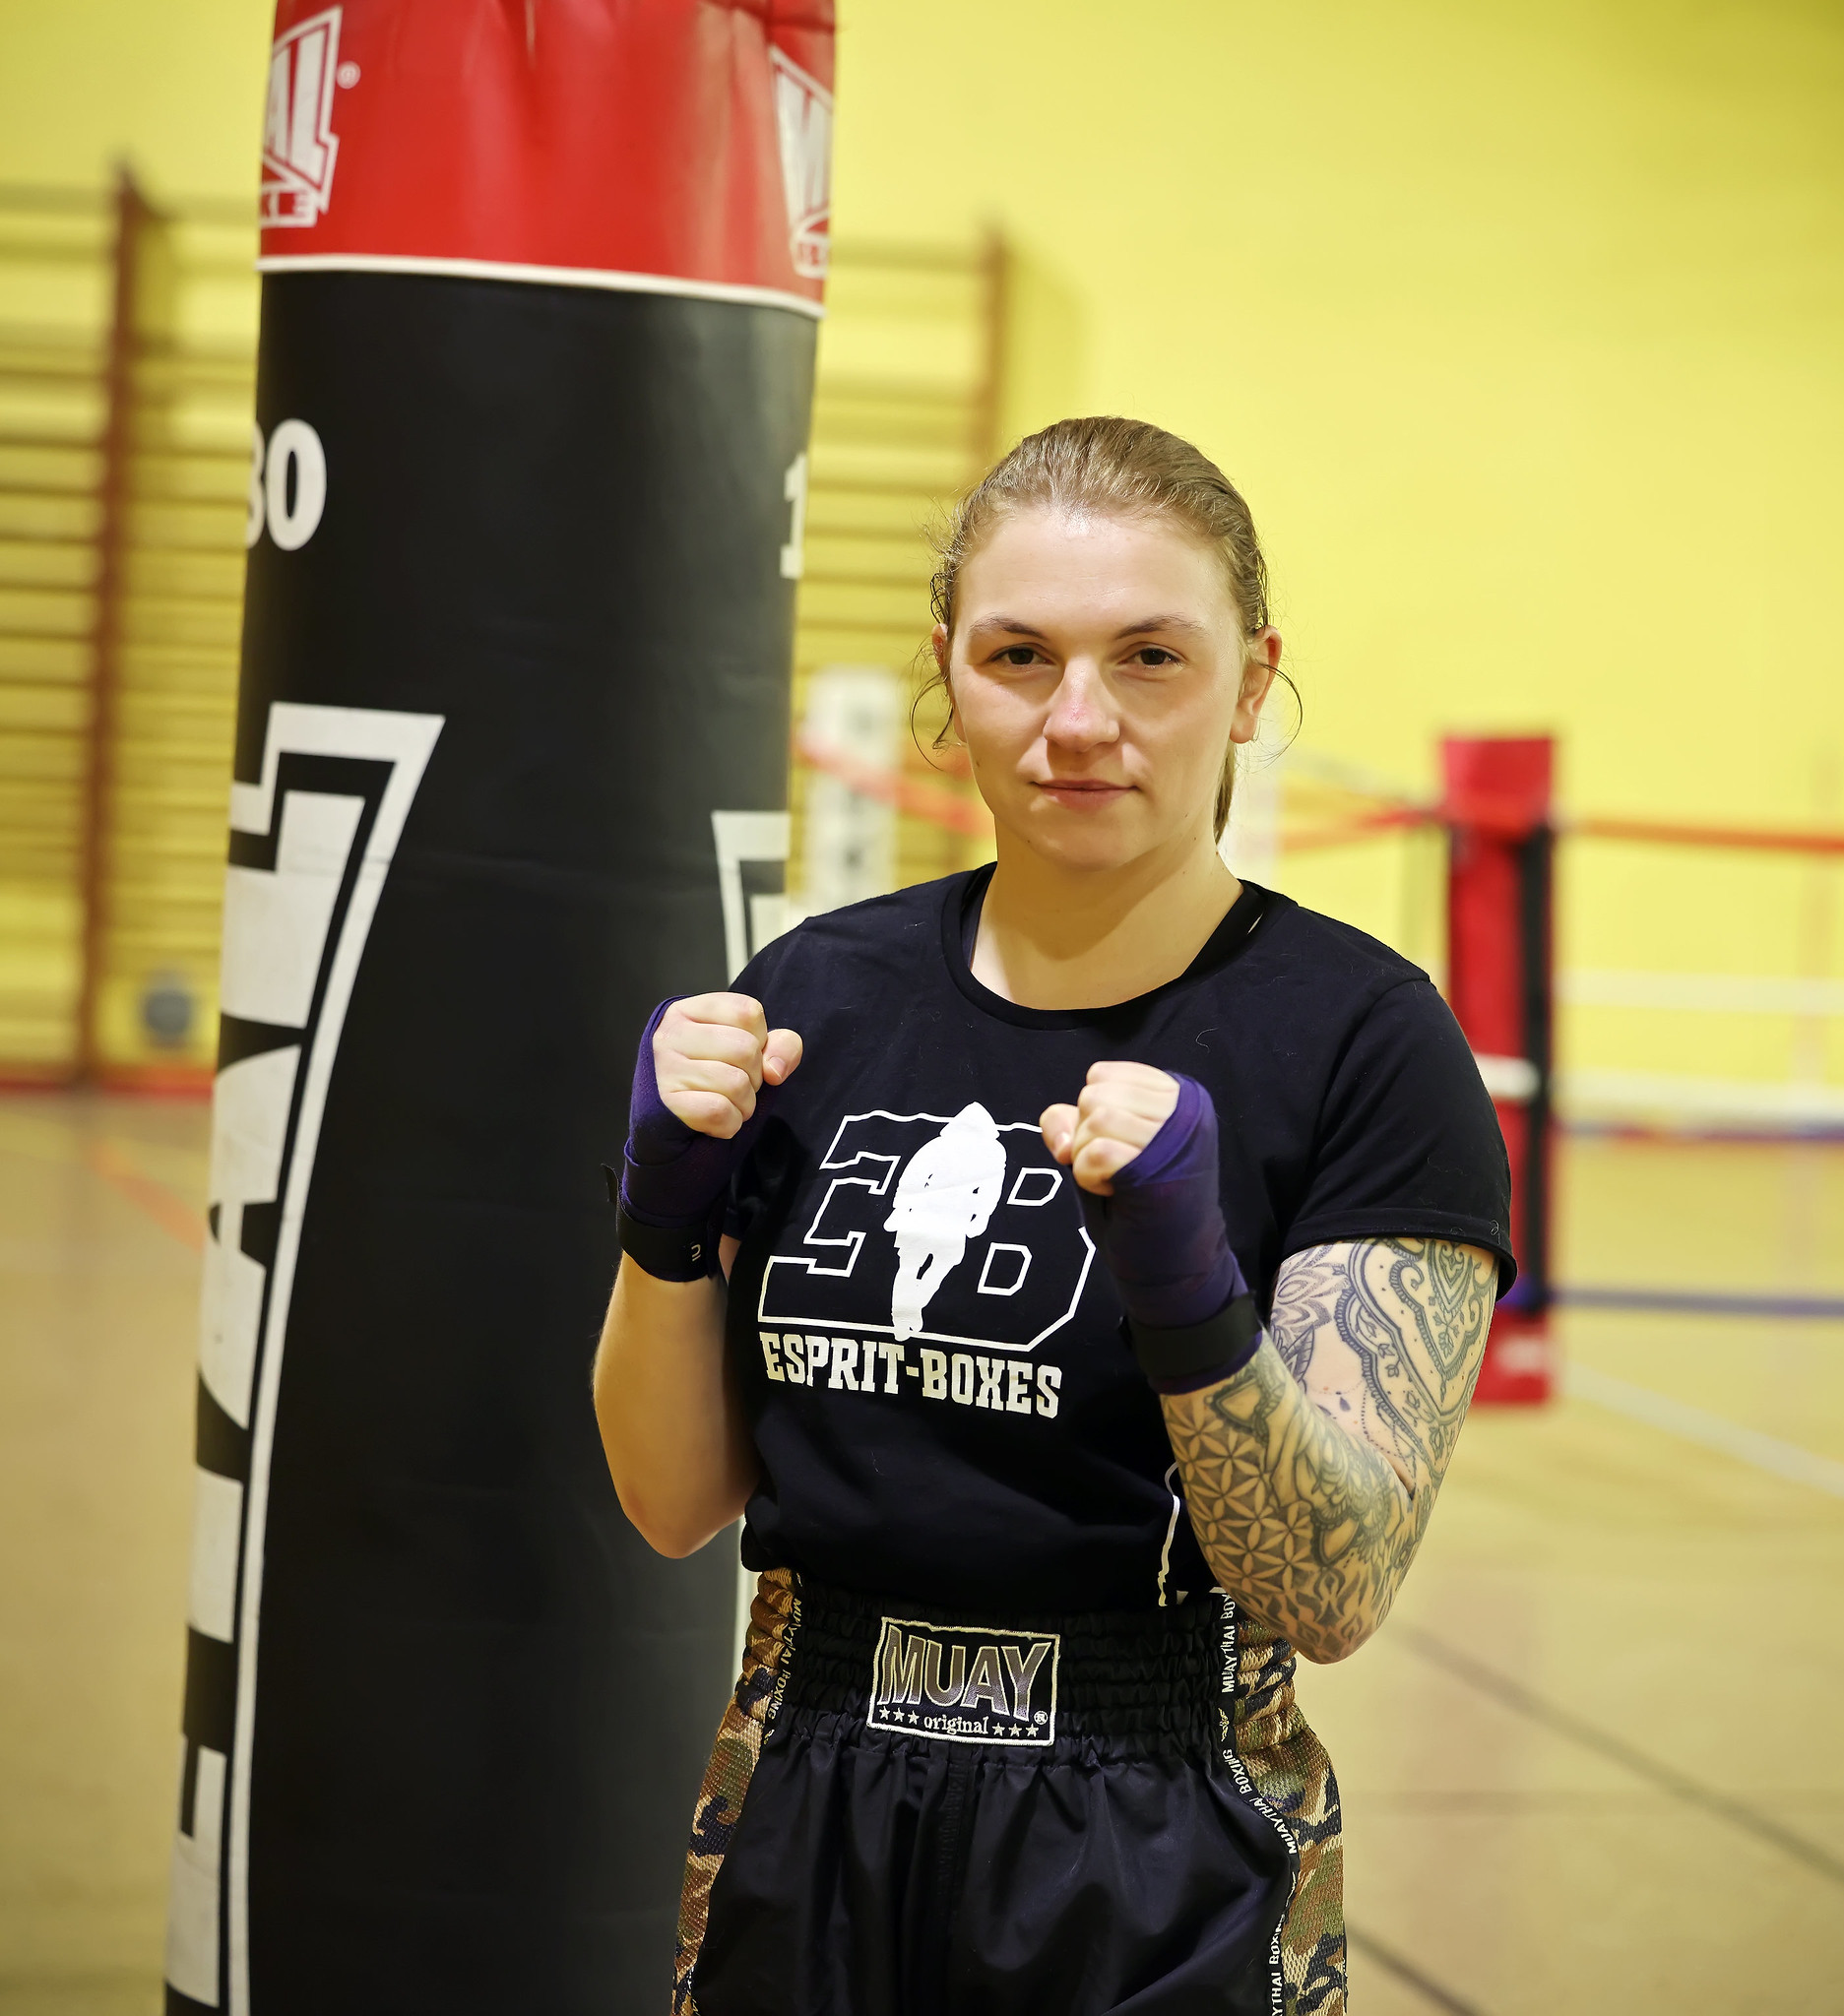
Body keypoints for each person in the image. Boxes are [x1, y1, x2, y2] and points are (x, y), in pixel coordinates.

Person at [593, 417, 1514, 2016]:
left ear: (1251, 681)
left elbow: (1331, 1590)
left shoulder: (1363, 1041)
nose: (1079, 720)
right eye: (1021, 655)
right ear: (949, 675)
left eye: (1149, 657)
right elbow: (673, 1504)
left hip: (1159, 1816)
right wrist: (662, 1222)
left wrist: (1189, 1292)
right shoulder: (816, 994)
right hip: (803, 1776)